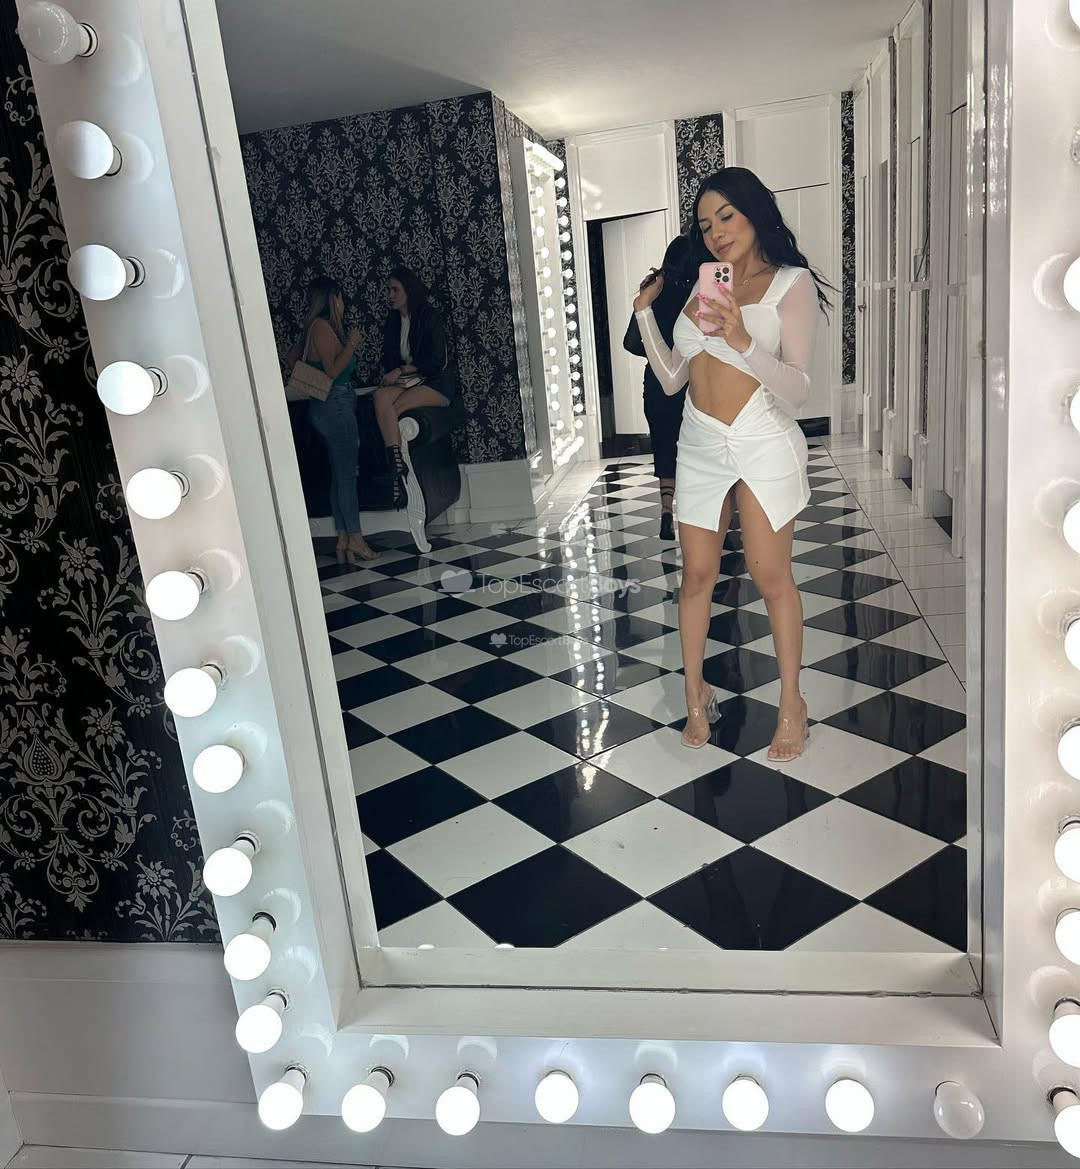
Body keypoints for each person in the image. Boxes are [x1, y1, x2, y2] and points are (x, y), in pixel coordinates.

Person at [632, 167, 833, 760]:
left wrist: (744, 339)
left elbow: (799, 391)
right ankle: (695, 694)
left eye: (726, 216)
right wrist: (645, 314)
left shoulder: (790, 284)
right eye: (704, 224)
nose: (716, 232)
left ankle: (792, 703)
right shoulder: (706, 288)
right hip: (699, 443)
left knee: (772, 578)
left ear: (753, 211)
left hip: (762, 439)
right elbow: (673, 379)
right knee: (696, 575)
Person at [287, 277, 377, 565]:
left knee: (340, 475)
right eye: (340, 298)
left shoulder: (312, 329)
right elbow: (333, 372)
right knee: (347, 475)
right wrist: (351, 344)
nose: (343, 303)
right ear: (333, 298)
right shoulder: (322, 328)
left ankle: (343, 537)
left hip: (326, 405)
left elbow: (291, 358)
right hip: (335, 404)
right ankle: (356, 539)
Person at [622, 234, 692, 540]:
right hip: (691, 385)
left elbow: (631, 342)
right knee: (692, 449)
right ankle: (698, 515)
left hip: (655, 387)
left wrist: (655, 351)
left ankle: (666, 512)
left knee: (664, 447)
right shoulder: (697, 296)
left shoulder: (653, 291)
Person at [375, 268, 456, 507]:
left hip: (434, 382)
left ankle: (395, 471)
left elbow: (437, 360)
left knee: (393, 410)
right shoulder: (393, 322)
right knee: (380, 397)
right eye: (388, 290)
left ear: (408, 290)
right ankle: (396, 465)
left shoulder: (428, 316)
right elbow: (390, 360)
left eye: (395, 290)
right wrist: (394, 375)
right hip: (409, 382)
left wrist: (402, 370)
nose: (390, 295)